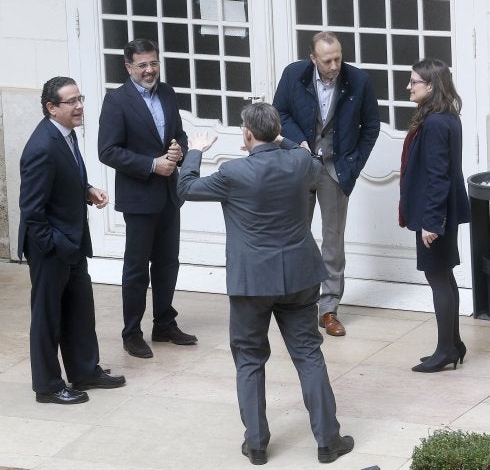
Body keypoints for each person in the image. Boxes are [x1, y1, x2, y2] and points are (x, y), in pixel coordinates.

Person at [177, 102, 354, 465]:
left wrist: (194, 150)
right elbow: (311, 160)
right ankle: (328, 440)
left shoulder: (233, 172)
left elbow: (187, 188)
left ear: (246, 135)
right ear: (276, 132)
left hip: (252, 281)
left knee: (249, 360)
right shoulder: (301, 163)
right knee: (308, 354)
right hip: (300, 277)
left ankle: (256, 444)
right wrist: (278, 139)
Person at [18, 76, 126, 404]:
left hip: (72, 241)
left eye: (81, 98)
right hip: (52, 247)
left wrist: (87, 190)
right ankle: (48, 386)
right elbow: (32, 211)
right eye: (72, 101)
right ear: (52, 108)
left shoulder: (66, 135)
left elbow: (65, 178)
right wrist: (55, 246)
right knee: (48, 317)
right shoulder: (41, 147)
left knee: (80, 309)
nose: (79, 106)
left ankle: (84, 371)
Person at [273, 31, 380, 336]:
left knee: (333, 241)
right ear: (313, 59)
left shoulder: (358, 80)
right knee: (295, 235)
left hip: (336, 169)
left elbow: (372, 126)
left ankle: (329, 309)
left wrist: (354, 163)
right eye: (327, 60)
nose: (334, 65)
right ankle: (295, 303)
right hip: (300, 165)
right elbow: (279, 111)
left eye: (338, 57)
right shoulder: (294, 74)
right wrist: (298, 142)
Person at [98, 38, 196, 359]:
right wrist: (152, 165)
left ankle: (164, 324)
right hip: (139, 197)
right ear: (128, 67)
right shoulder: (116, 101)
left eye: (153, 63)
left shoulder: (167, 92)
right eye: (142, 65)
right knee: (137, 267)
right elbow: (107, 150)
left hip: (170, 194)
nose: (150, 70)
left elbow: (178, 133)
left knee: (168, 262)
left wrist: (179, 150)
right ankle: (132, 332)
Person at [399, 58, 470, 373]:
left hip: (436, 214)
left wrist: (432, 221)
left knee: (438, 277)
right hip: (441, 212)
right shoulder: (445, 117)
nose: (409, 87)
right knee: (443, 274)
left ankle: (446, 350)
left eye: (414, 81)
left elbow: (438, 175)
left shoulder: (436, 122)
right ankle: (452, 344)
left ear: (431, 85)